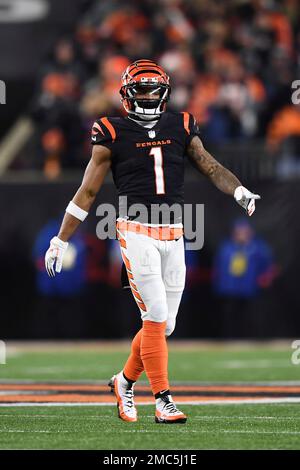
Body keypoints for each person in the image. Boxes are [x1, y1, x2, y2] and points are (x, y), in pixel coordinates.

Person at [44, 59, 260, 424]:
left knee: (163, 326)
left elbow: (209, 165)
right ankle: (163, 400)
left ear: (164, 94)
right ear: (127, 95)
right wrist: (61, 240)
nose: (146, 96)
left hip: (174, 234)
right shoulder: (110, 130)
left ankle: (124, 381)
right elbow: (88, 191)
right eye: (140, 90)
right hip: (135, 231)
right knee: (156, 316)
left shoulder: (182, 124)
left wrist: (238, 189)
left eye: (152, 90)